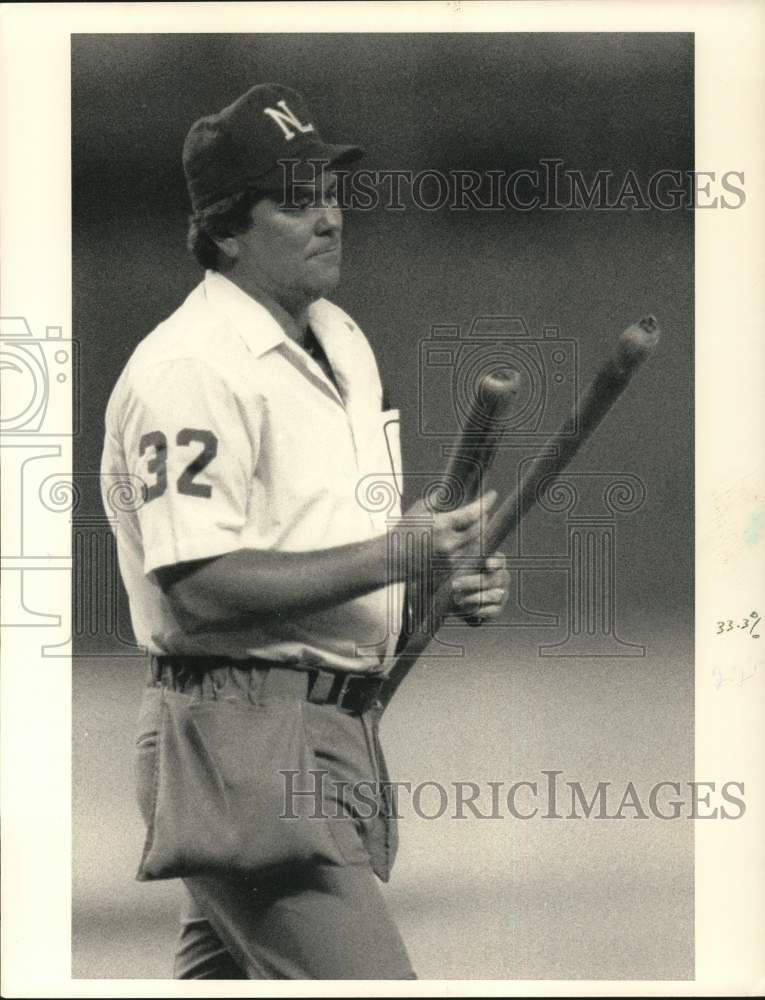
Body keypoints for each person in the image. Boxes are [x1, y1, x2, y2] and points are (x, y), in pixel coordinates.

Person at [101, 82, 509, 980]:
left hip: (321, 732)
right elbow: (199, 585)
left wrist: (436, 576)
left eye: (330, 191)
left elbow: (330, 544)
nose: (328, 217)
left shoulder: (339, 340)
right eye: (295, 199)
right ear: (226, 229)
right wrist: (395, 553)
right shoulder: (190, 367)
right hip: (240, 736)